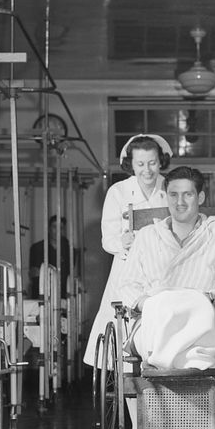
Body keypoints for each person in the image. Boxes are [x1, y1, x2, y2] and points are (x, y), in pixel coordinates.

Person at [118, 165, 215, 371]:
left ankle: (195, 365)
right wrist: (149, 304)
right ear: (165, 196)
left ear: (201, 197)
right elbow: (126, 284)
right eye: (173, 195)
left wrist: (212, 298)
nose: (180, 202)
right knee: (161, 307)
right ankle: (166, 364)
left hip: (205, 321)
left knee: (199, 307)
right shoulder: (147, 235)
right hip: (156, 320)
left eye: (187, 195)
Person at [82, 133, 173, 366]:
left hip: (165, 269)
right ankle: (130, 395)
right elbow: (107, 239)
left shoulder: (171, 187)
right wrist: (122, 241)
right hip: (128, 267)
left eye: (152, 163)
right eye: (140, 164)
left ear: (160, 161)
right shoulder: (118, 192)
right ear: (130, 164)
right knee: (127, 333)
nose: (147, 170)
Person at [28, 215, 70, 297]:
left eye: (61, 228)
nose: (58, 230)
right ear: (49, 229)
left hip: (61, 296)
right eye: (54, 227)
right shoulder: (37, 248)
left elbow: (68, 276)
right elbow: (34, 273)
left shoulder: (69, 251)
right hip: (41, 295)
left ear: (64, 231)